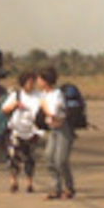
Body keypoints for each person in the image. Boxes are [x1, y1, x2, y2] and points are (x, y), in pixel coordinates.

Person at [1, 70, 43, 193]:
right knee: (13, 156)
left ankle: (29, 182)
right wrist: (14, 105)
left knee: (29, 157)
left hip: (32, 130)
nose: (31, 85)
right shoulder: (16, 95)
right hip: (16, 130)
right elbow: (4, 109)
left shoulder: (39, 96)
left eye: (33, 82)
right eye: (29, 82)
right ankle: (13, 181)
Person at [38, 66, 76, 199]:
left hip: (63, 129)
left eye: (40, 79)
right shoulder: (45, 94)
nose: (38, 82)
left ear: (46, 81)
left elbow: (53, 113)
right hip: (52, 129)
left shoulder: (57, 94)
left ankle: (69, 188)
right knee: (49, 157)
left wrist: (43, 106)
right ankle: (56, 188)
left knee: (61, 160)